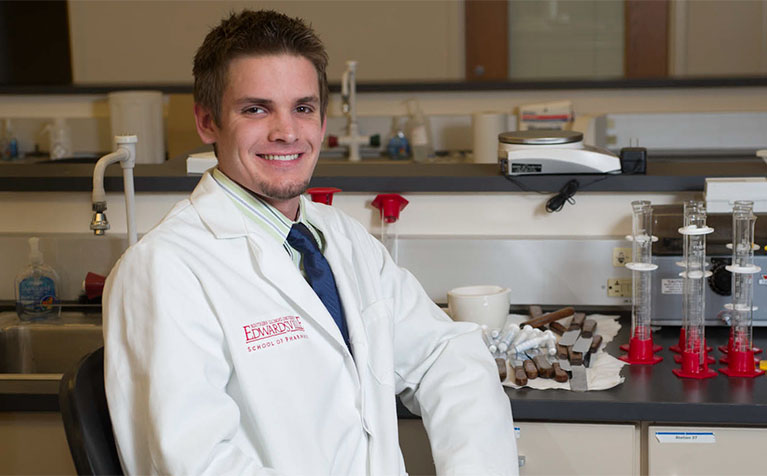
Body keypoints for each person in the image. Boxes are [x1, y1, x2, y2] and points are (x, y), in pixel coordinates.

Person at [103, 9, 518, 476]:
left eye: (303, 107)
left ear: (322, 121)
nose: (287, 132)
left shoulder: (338, 237)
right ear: (207, 121)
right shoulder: (163, 269)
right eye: (256, 109)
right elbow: (195, 463)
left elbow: (446, 354)